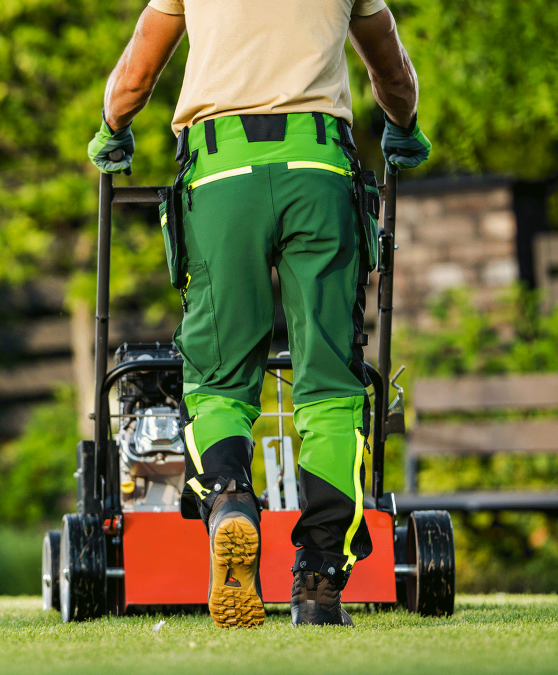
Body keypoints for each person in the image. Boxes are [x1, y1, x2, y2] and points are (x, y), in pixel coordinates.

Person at [87, 1, 431, 627]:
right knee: (330, 384)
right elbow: (392, 68)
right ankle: (321, 581)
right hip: (319, 168)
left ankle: (229, 502)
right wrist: (402, 124)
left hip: (221, 174)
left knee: (218, 378)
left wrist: (113, 127)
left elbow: (136, 73)